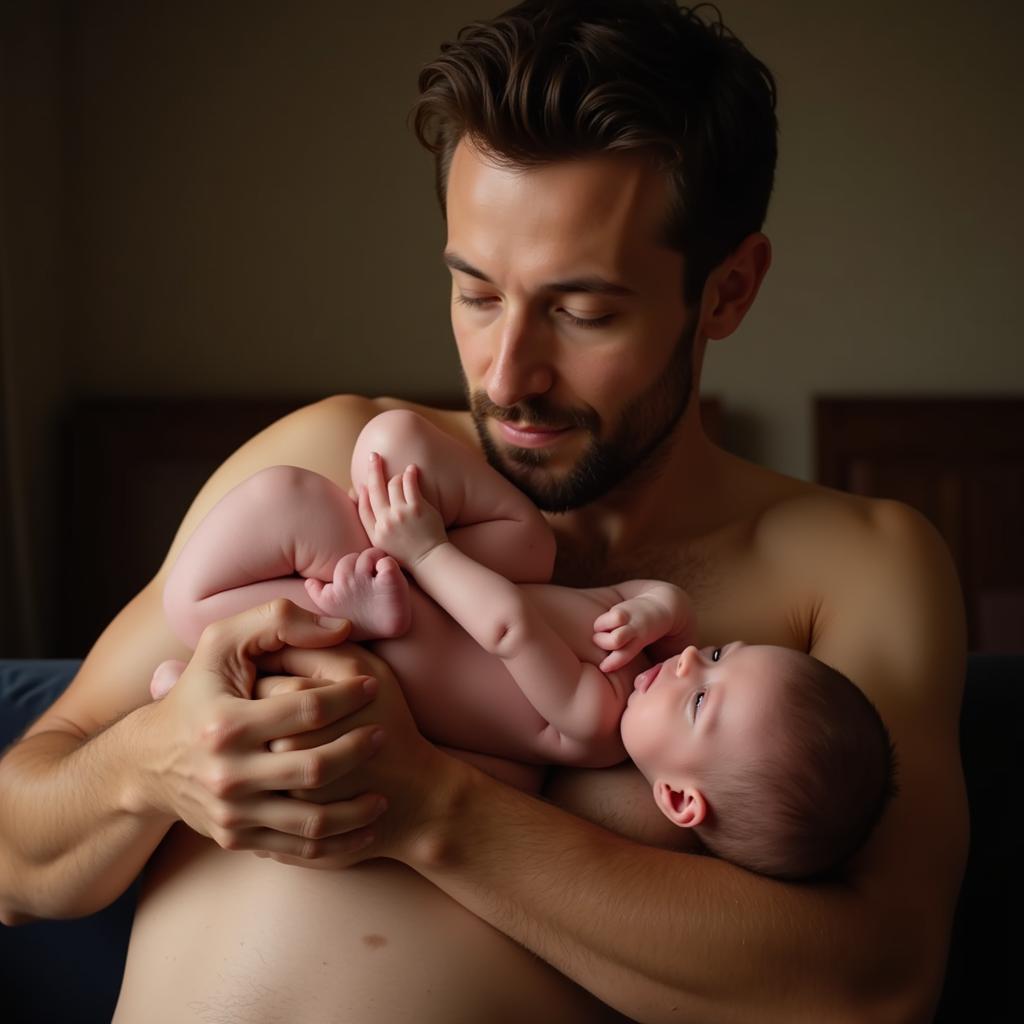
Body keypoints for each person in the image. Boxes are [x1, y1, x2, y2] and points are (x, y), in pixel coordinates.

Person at [0, 1, 966, 1021]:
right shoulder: (341, 465)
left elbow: (873, 986)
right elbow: (15, 855)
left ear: (725, 292)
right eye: (475, 293)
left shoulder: (852, 568)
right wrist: (158, 764)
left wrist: (430, 805)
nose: (507, 375)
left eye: (580, 311)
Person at [157, 408, 896, 881]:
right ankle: (237, 661)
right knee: (394, 444)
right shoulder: (651, 666)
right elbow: (658, 605)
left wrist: (425, 552)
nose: (686, 663)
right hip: (434, 591)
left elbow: (508, 629)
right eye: (722, 653)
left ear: (676, 796)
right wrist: (657, 610)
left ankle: (214, 673)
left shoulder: (595, 723)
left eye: (701, 699)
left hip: (389, 641)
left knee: (250, 547)